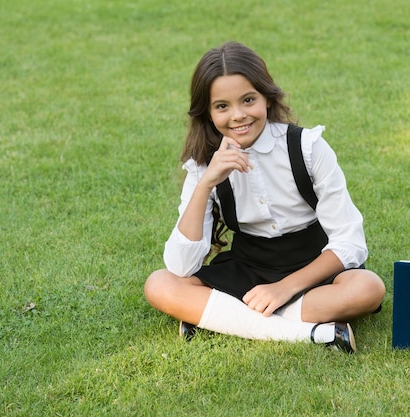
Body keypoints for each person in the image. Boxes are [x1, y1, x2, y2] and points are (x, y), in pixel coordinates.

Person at [144, 41, 385, 353]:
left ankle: (222, 318)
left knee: (367, 288)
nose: (238, 116)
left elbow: (350, 243)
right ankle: (318, 334)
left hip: (313, 265)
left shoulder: (308, 148)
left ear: (267, 98)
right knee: (160, 284)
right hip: (249, 266)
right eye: (222, 106)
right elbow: (180, 266)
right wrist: (206, 184)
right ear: (207, 112)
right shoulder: (204, 165)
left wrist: (284, 289)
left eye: (248, 100)